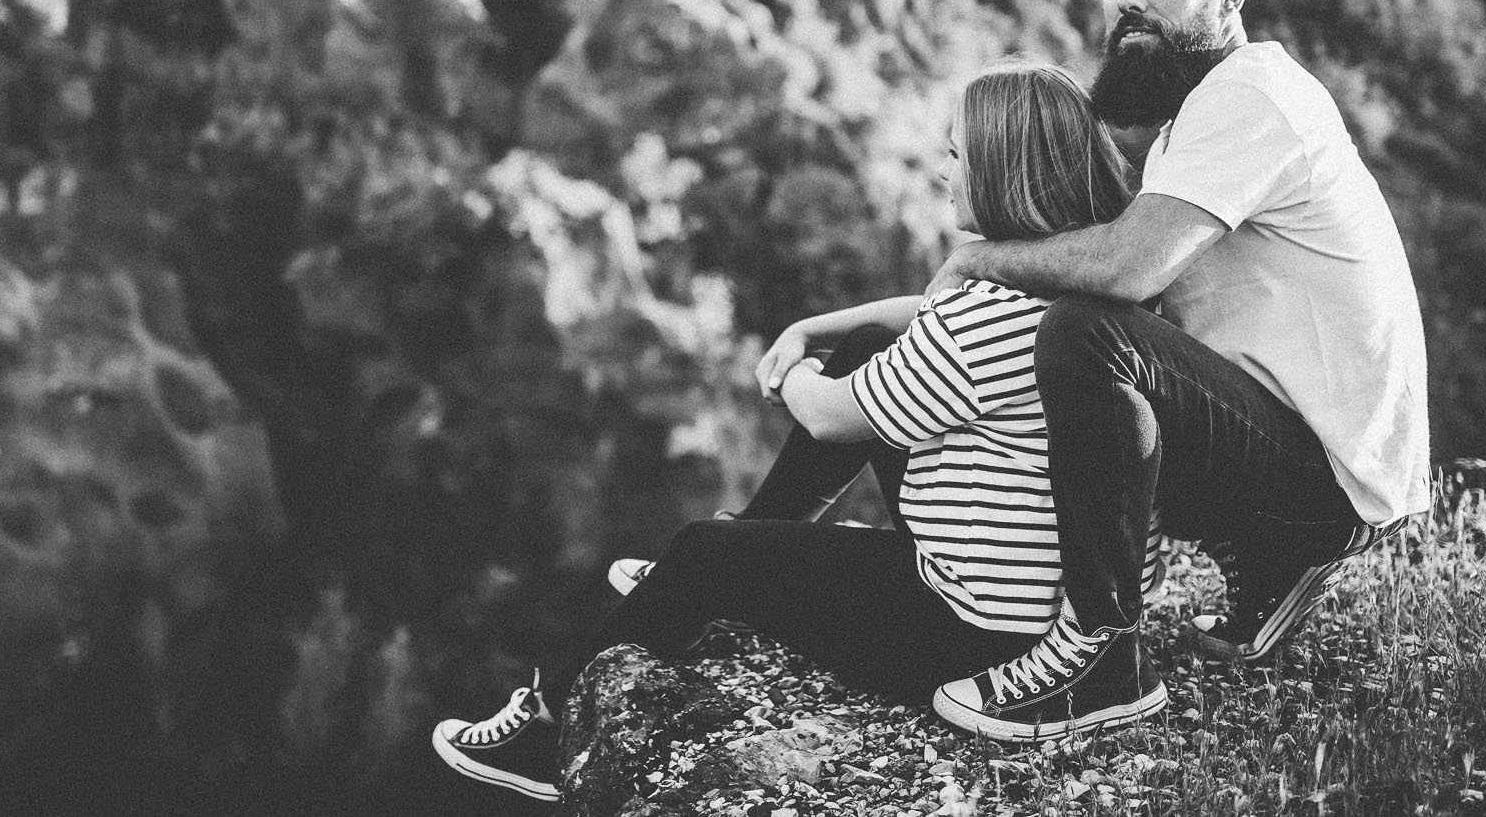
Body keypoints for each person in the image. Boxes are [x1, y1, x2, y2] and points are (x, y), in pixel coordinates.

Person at [430, 63, 1163, 801]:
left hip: (961, 629)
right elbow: (924, 316)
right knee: (862, 351)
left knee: (702, 552)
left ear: (1005, 175)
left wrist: (789, 371)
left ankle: (541, 730)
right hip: (1030, 595)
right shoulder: (1081, 288)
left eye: (957, 155)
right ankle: (761, 531)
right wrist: (813, 327)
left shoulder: (982, 324)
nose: (944, 171)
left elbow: (831, 410)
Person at [926, 0, 1430, 741]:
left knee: (1088, 336)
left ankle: (1101, 660)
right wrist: (870, 320)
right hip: (1305, 451)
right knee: (1089, 347)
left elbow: (1126, 270)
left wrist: (977, 257)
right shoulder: (1186, 124)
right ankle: (1273, 552)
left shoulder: (1253, 94)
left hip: (1323, 469)